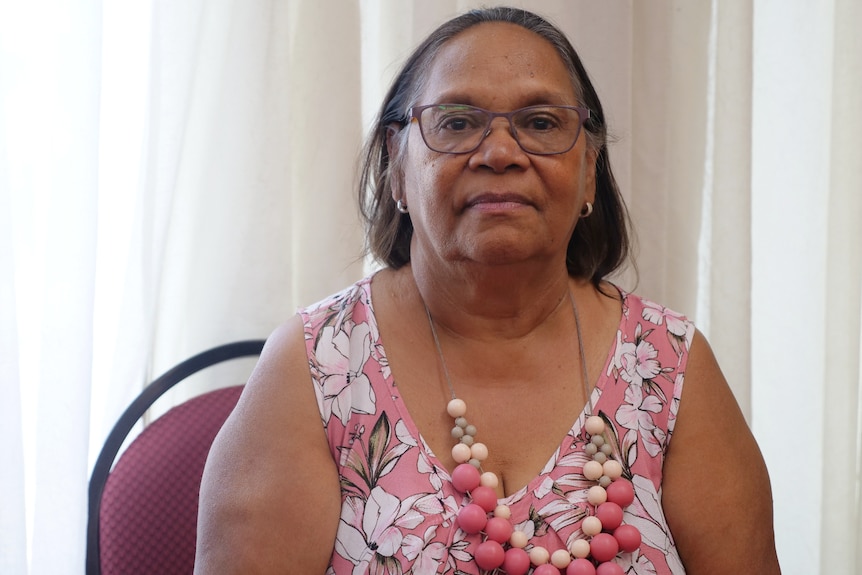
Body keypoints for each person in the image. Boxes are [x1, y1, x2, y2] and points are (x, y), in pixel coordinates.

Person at [194, 7, 781, 575]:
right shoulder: (314, 367)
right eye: (456, 122)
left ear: (588, 173)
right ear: (397, 167)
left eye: (542, 123)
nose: (500, 153)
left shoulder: (672, 367)